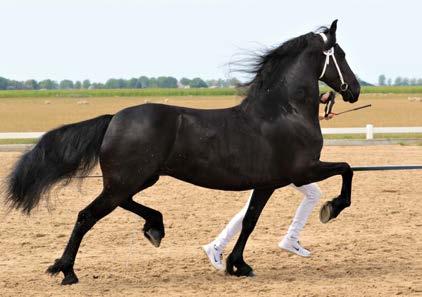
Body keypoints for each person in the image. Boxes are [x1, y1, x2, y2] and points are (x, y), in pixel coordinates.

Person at [202, 92, 336, 270]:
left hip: (283, 164)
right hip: (275, 166)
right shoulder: (276, 102)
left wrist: (320, 111)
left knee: (313, 193)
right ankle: (217, 245)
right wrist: (319, 106)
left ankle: (291, 238)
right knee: (250, 210)